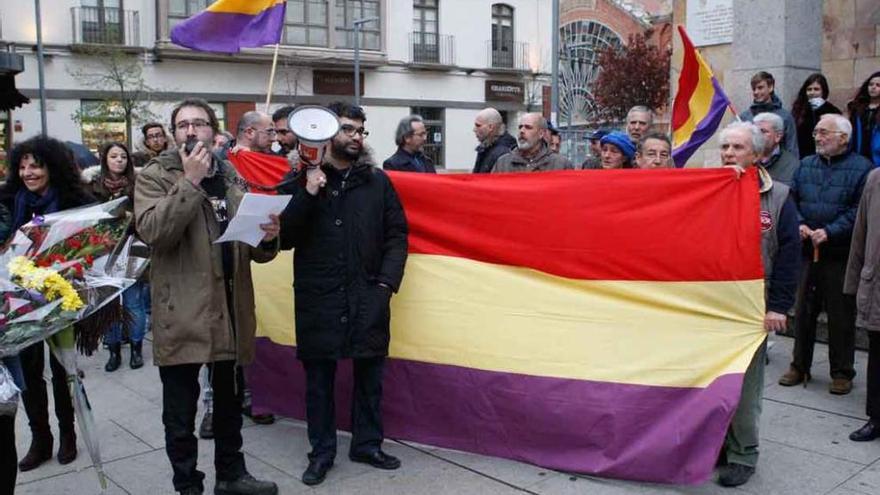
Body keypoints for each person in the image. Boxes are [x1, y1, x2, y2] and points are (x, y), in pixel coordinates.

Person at [134, 98, 280, 495]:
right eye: (183, 125)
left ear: (214, 133)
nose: (191, 131)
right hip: (181, 312)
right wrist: (190, 181)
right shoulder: (154, 176)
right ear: (172, 133)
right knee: (180, 414)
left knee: (229, 407)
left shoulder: (231, 175)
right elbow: (154, 233)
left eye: (199, 124)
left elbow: (256, 251)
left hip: (230, 310)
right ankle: (188, 485)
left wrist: (267, 236)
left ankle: (232, 475)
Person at [277, 102, 408, 487]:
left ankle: (367, 444)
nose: (356, 137)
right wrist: (308, 192)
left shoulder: (377, 181)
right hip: (319, 296)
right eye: (349, 129)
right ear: (326, 131)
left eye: (361, 131)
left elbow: (397, 235)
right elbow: (283, 238)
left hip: (368, 293)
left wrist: (385, 285)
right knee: (319, 379)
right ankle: (321, 452)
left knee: (370, 374)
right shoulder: (300, 179)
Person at [0, 136, 95, 473]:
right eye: (22, 166)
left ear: (52, 166)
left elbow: (91, 249)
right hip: (19, 303)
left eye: (35, 165)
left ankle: (68, 433)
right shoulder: (10, 202)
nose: (28, 172)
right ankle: (41, 438)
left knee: (62, 370)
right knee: (28, 372)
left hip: (60, 299)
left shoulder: (76, 201)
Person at [715, 122, 800, 487]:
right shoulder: (708, 190)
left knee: (745, 387)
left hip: (754, 307)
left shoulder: (778, 196)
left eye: (737, 148)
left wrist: (778, 306)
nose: (729, 154)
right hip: (713, 302)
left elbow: (789, 256)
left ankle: (743, 454)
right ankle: (714, 443)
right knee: (711, 381)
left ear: (757, 154)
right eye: (725, 147)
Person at [779, 114, 873, 394]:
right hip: (808, 251)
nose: (818, 137)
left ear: (843, 138)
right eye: (816, 132)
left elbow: (859, 209)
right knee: (804, 310)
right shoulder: (806, 164)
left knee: (840, 314)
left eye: (824, 132)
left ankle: (842, 371)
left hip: (839, 253)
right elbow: (791, 198)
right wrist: (799, 224)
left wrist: (830, 231)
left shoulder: (862, 168)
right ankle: (799, 365)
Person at [87, 141, 150, 372]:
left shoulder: (138, 184)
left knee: (134, 303)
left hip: (133, 249)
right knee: (109, 304)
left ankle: (136, 348)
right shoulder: (93, 186)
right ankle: (113, 350)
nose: (119, 160)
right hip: (102, 253)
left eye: (123, 156)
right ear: (105, 160)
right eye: (114, 156)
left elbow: (145, 215)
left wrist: (129, 219)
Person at [845, 168, 880, 442]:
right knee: (877, 355)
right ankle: (876, 417)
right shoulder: (875, 178)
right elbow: (861, 232)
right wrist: (853, 281)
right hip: (877, 284)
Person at [739, 71, 799, 156]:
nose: (756, 92)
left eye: (760, 88)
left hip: (779, 166)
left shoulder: (785, 117)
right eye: (754, 89)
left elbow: (792, 148)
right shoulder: (744, 117)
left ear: (770, 87)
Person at [493, 113, 573, 173]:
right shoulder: (503, 163)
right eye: (520, 127)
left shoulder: (560, 164)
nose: (522, 131)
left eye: (528, 127)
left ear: (541, 133)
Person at [791, 73, 842, 158]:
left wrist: (822, 108)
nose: (812, 93)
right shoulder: (798, 110)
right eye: (809, 89)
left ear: (823, 91)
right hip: (803, 157)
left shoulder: (832, 111)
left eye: (816, 89)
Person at [753, 112, 800, 186]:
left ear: (778, 136)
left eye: (763, 131)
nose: (757, 135)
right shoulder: (745, 160)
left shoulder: (792, 166)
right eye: (755, 131)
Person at [847, 71, 880, 166]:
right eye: (871, 84)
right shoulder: (857, 108)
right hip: (858, 155)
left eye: (878, 85)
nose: (873, 87)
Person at [472, 107, 516, 173]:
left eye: (478, 125)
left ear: (490, 127)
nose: (474, 130)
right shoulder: (486, 147)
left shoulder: (503, 153)